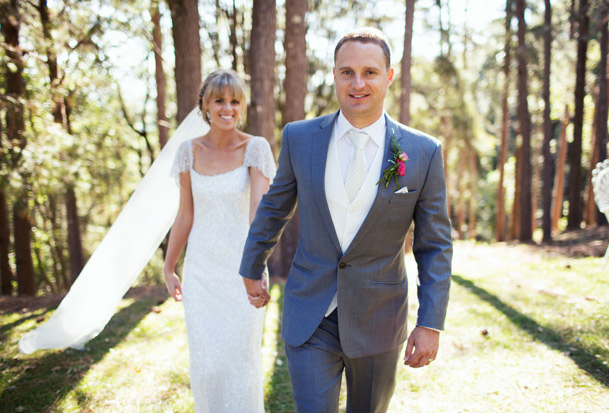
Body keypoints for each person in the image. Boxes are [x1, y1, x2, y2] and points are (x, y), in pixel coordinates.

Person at [240, 28, 452, 412]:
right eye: (347, 72)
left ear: (388, 77)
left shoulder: (423, 152)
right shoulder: (300, 137)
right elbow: (275, 207)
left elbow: (434, 244)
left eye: (370, 72)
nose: (358, 83)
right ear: (334, 74)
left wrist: (430, 321)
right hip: (310, 315)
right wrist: (251, 264)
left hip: (379, 318)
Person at [165, 69, 275, 412]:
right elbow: (185, 215)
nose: (227, 108)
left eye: (235, 101)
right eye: (219, 101)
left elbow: (258, 209)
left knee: (242, 362)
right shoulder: (188, 152)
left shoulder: (255, 149)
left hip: (242, 270)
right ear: (205, 105)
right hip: (201, 273)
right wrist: (169, 268)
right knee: (208, 365)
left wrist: (257, 266)